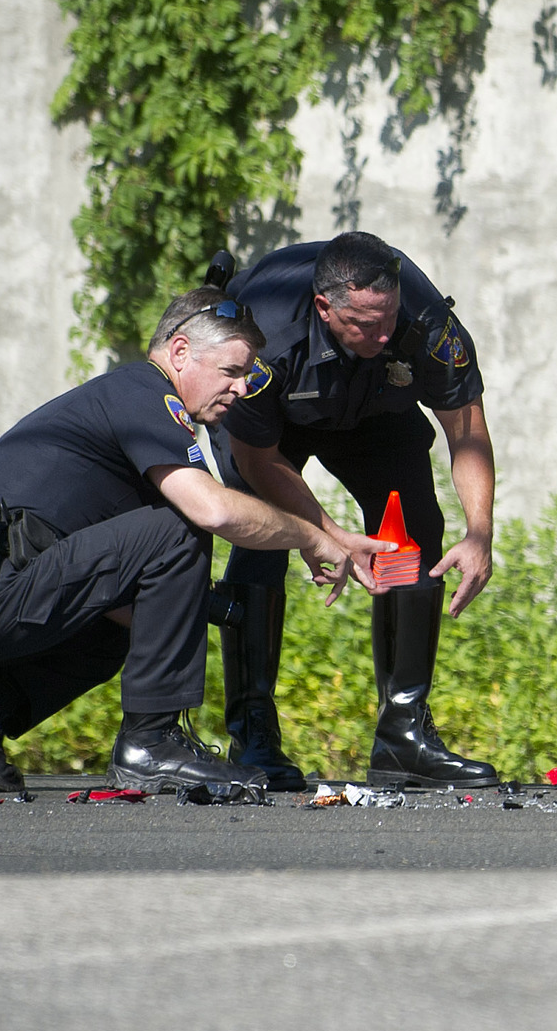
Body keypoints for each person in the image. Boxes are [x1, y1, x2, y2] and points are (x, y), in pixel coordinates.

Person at [0, 288, 381, 794]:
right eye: (233, 371)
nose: (242, 389)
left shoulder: (122, 409)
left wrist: (185, 609)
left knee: (112, 634)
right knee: (181, 525)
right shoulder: (144, 391)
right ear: (180, 352)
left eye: (251, 376)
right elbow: (211, 510)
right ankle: (152, 744)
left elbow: (131, 595)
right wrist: (310, 536)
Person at [210, 231, 500, 791]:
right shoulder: (264, 338)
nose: (385, 332)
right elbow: (256, 460)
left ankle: (402, 736)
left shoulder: (423, 324)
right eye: (367, 324)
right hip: (270, 431)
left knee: (412, 529)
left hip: (371, 410)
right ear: (325, 308)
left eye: (390, 317)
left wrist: (481, 532)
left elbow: (467, 428)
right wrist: (323, 534)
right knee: (262, 537)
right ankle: (254, 740)